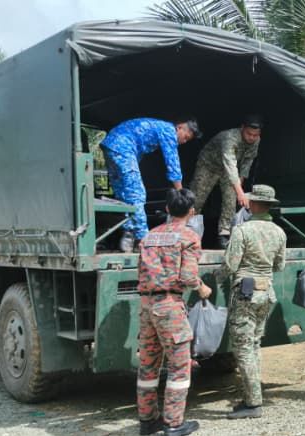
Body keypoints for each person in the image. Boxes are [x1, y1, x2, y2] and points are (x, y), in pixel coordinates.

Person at [135, 188, 212, 436]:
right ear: (191, 212)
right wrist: (202, 288)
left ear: (167, 209)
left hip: (146, 305)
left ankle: (147, 420)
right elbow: (188, 276)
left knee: (148, 364)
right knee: (179, 366)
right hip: (169, 305)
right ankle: (173, 424)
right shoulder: (189, 236)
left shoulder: (149, 236)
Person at [221, 185, 286, 419]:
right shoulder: (279, 232)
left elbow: (230, 263)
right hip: (266, 293)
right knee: (255, 344)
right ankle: (253, 395)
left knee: (243, 347)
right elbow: (279, 265)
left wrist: (215, 279)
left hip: (245, 293)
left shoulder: (242, 231)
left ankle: (253, 402)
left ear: (254, 204)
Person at [100, 116, 201, 251]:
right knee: (137, 194)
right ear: (180, 127)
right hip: (122, 147)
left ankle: (128, 234)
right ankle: (143, 240)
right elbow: (172, 162)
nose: (183, 141)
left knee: (123, 194)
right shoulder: (168, 130)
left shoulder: (157, 127)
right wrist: (181, 192)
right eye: (185, 137)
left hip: (111, 146)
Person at [190, 115, 263, 248]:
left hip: (230, 170)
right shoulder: (230, 138)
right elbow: (229, 163)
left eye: (255, 135)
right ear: (242, 128)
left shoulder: (256, 140)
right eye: (249, 134)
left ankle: (224, 234)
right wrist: (240, 192)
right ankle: (187, 231)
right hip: (209, 166)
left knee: (230, 199)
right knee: (196, 199)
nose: (251, 138)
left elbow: (247, 161)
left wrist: (240, 183)